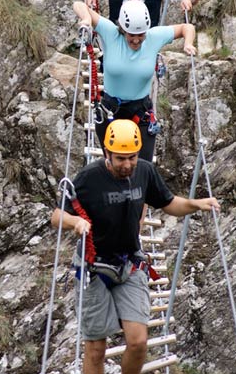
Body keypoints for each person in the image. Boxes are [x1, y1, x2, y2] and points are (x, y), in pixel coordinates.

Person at [51, 119, 220, 374]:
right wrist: (75, 221)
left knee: (139, 342)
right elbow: (56, 216)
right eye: (120, 158)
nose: (127, 164)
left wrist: (196, 204)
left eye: (131, 157)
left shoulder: (144, 171)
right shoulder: (89, 178)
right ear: (107, 153)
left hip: (130, 264)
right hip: (94, 268)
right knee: (96, 349)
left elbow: (169, 203)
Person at [73, 0, 196, 162]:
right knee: (114, 166)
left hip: (140, 112)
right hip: (110, 111)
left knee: (143, 168)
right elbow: (78, 5)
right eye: (132, 35)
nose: (137, 40)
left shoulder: (154, 37)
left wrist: (188, 43)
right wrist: (87, 19)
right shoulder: (110, 33)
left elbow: (187, 27)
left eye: (141, 35)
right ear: (123, 30)